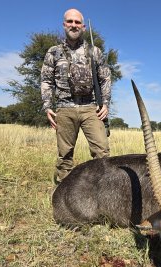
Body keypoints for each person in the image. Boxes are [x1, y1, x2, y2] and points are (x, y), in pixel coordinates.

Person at [41, 8, 111, 184]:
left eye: (77, 22)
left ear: (83, 27)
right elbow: (46, 80)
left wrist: (105, 103)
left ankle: (103, 194)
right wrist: (47, 106)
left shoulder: (95, 52)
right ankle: (62, 195)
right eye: (70, 21)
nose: (74, 25)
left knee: (102, 153)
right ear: (64, 25)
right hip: (64, 108)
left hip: (91, 108)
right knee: (64, 156)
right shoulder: (53, 52)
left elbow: (105, 78)